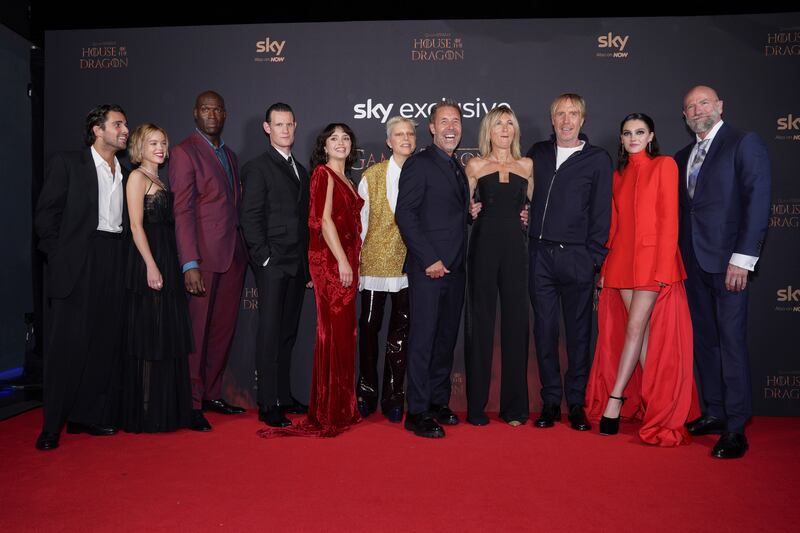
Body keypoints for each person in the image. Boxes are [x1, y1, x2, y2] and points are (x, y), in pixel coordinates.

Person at [584, 113, 698, 446]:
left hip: (651, 263)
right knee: (641, 335)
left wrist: (664, 267)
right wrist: (605, 266)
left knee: (635, 329)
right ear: (621, 139)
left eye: (639, 132)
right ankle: (658, 404)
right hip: (620, 261)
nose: (633, 138)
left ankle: (615, 400)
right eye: (627, 133)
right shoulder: (618, 175)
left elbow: (669, 220)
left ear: (651, 136)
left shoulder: (664, 166)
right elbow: (615, 225)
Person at [676, 85, 771, 459]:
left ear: (719, 106)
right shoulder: (684, 155)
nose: (697, 109)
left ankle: (736, 427)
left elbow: (757, 201)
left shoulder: (743, 143)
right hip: (693, 263)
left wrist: (743, 258)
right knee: (706, 341)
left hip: (729, 264)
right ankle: (714, 411)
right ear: (684, 117)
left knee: (730, 342)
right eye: (690, 107)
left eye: (703, 103)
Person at [34, 104, 129, 450]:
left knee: (103, 343)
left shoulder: (126, 171)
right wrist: (60, 259)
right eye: (117, 124)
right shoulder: (68, 164)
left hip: (114, 256)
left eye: (125, 124)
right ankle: (50, 426)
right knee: (65, 349)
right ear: (97, 130)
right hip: (77, 263)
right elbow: (46, 218)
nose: (124, 130)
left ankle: (85, 416)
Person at [259, 123, 363, 438]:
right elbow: (322, 220)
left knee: (344, 336)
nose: (341, 142)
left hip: (345, 264)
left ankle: (341, 406)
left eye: (345, 138)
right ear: (324, 145)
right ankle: (330, 409)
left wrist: (352, 261)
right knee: (331, 336)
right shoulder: (323, 174)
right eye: (334, 138)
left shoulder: (347, 178)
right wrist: (343, 261)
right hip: (332, 266)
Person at [526, 93, 613, 432]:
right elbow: (522, 193)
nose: (566, 120)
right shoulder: (538, 153)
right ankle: (550, 401)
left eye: (572, 113)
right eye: (560, 114)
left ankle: (575, 403)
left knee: (579, 335)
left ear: (582, 119)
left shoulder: (597, 159)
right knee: (545, 331)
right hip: (540, 257)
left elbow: (602, 213)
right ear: (552, 120)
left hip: (578, 257)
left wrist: (593, 257)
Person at [170, 91, 247, 431]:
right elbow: (182, 211)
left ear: (225, 114)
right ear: (195, 113)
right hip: (202, 260)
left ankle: (213, 392)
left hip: (232, 257)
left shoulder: (229, 155)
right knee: (197, 335)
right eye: (205, 108)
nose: (212, 114)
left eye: (217, 108)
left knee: (222, 332)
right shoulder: (185, 153)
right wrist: (189, 263)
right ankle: (191, 402)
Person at [395, 100, 469, 439]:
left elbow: (448, 214)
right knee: (424, 340)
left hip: (455, 268)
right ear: (432, 127)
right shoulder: (420, 163)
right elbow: (405, 215)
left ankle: (438, 401)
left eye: (456, 121)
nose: (451, 126)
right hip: (429, 269)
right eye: (444, 121)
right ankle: (418, 411)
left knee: (444, 340)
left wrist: (472, 212)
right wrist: (429, 260)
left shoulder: (455, 165)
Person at [240, 102, 311, 428]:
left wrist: (307, 265)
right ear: (267, 128)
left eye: (289, 124)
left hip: (296, 263)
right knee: (269, 334)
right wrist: (263, 255)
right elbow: (249, 216)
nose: (285, 130)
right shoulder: (257, 167)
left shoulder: (301, 169)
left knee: (287, 334)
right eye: (278, 125)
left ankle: (283, 395)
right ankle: (268, 403)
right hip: (272, 263)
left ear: (295, 126)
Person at [464, 105, 533, 426]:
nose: (504, 129)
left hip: (516, 250)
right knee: (480, 322)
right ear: (487, 131)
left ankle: (515, 408)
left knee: (517, 323)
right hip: (483, 246)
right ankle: (476, 407)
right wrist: (470, 211)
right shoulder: (474, 165)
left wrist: (528, 216)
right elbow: (463, 210)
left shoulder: (527, 165)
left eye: (509, 123)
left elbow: (528, 209)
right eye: (498, 124)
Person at [122, 123, 193, 433]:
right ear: (140, 147)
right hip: (148, 260)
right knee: (150, 333)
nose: (160, 148)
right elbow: (136, 226)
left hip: (167, 258)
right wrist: (151, 265)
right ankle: (148, 411)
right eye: (153, 143)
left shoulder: (159, 180)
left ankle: (167, 409)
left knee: (165, 333)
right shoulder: (137, 177)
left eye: (163, 142)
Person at [356, 116, 416, 423]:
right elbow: (360, 225)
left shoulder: (423, 174)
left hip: (409, 267)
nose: (405, 138)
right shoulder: (372, 175)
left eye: (410, 133)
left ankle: (394, 396)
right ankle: (365, 392)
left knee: (401, 335)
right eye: (398, 134)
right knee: (368, 330)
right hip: (374, 265)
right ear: (388, 142)